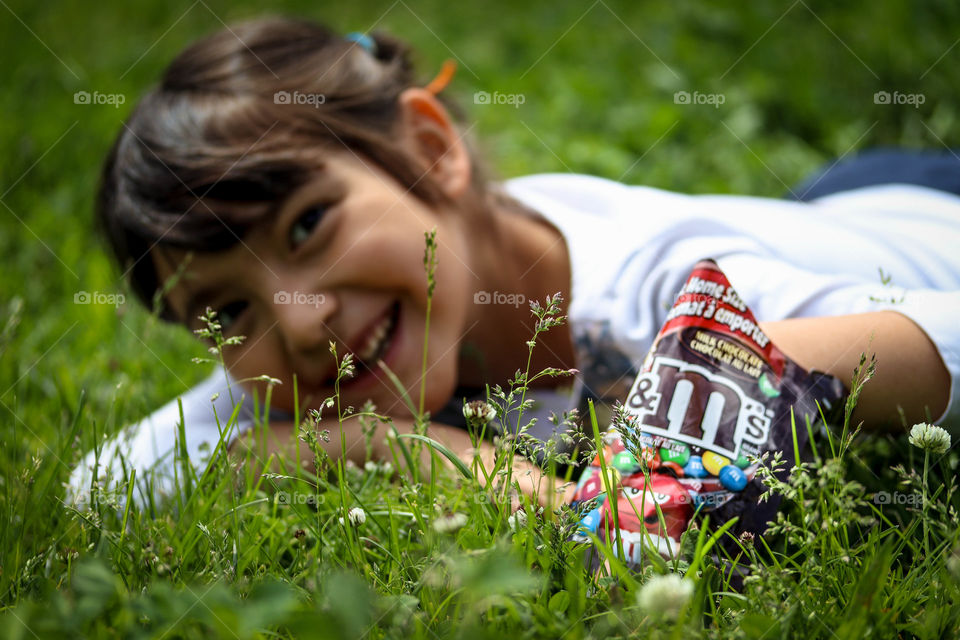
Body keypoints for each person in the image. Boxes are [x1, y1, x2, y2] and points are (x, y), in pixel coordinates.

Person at [68, 17, 959, 510]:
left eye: (307, 227)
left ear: (427, 148)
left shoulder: (666, 289)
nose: (299, 322)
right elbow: (91, 492)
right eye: (226, 313)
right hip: (817, 213)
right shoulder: (328, 367)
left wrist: (684, 379)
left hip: (925, 215)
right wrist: (383, 441)